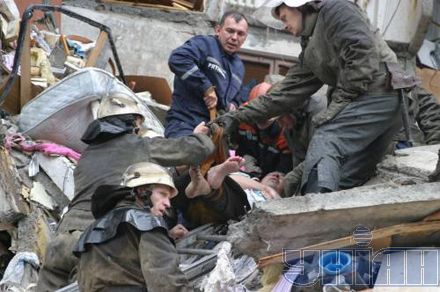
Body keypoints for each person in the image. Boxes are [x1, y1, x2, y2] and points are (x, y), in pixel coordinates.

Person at [214, 0, 413, 196]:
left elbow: (362, 54)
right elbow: (284, 93)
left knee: (326, 139)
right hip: (378, 99)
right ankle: (329, 218)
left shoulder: (336, 9)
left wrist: (340, 102)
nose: (284, 25)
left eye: (284, 17)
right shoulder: (312, 44)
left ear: (298, 6)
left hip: (380, 92)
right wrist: (234, 118)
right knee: (348, 173)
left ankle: (315, 206)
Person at [36, 93, 214, 291]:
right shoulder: (139, 145)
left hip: (63, 239)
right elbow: (194, 150)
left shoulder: (87, 155)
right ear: (134, 123)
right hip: (98, 240)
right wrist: (201, 136)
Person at [74, 162, 191, 291]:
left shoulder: (91, 231)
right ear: (142, 191)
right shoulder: (147, 223)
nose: (168, 204)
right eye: (162, 194)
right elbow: (167, 283)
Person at [165, 11, 249, 138]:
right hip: (184, 123)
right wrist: (206, 88)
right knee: (183, 155)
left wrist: (234, 105)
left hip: (212, 130)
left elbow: (237, 96)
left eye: (240, 33)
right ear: (218, 30)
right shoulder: (204, 44)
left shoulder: (239, 67)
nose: (234, 37)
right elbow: (178, 59)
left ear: (245, 38)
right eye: (230, 31)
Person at [172, 156, 282, 228]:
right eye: (274, 173)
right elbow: (235, 181)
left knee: (235, 200)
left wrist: (271, 193)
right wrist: (264, 188)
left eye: (282, 177)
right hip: (196, 198)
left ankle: (206, 186)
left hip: (229, 212)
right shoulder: (249, 177)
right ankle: (200, 186)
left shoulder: (279, 202)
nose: (277, 176)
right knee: (179, 186)